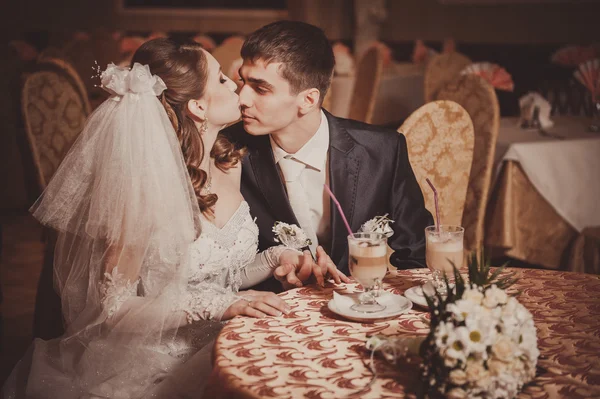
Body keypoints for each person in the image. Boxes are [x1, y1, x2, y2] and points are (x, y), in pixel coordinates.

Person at [3, 38, 343, 399]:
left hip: (226, 339)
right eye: (224, 81)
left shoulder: (229, 162)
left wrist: (276, 258)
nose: (239, 92)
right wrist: (220, 306)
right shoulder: (143, 187)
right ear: (198, 106)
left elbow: (221, 276)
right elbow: (113, 307)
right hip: (159, 361)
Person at [223, 21, 433, 292]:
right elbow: (220, 263)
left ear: (308, 100)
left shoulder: (382, 151)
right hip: (273, 313)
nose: (242, 98)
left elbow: (417, 254)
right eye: (243, 81)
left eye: (260, 88)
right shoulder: (227, 152)